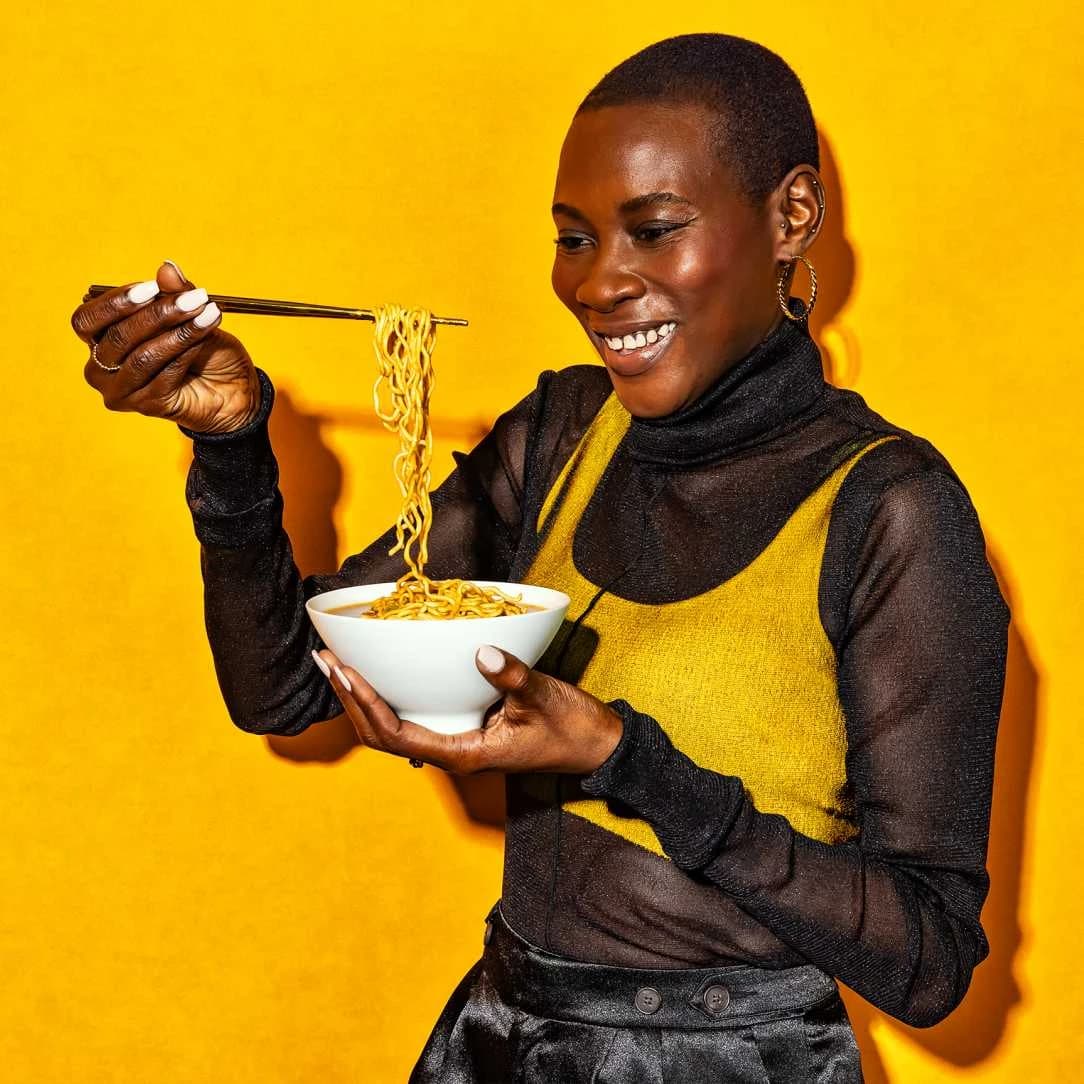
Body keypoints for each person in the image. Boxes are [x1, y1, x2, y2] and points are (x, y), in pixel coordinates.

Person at [73, 33, 1008, 1084]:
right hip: (506, 1039)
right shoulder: (562, 433)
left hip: (739, 1061)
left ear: (791, 216)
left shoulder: (891, 509)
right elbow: (285, 688)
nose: (601, 282)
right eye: (573, 238)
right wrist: (231, 444)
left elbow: (929, 962)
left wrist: (622, 758)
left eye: (653, 230)